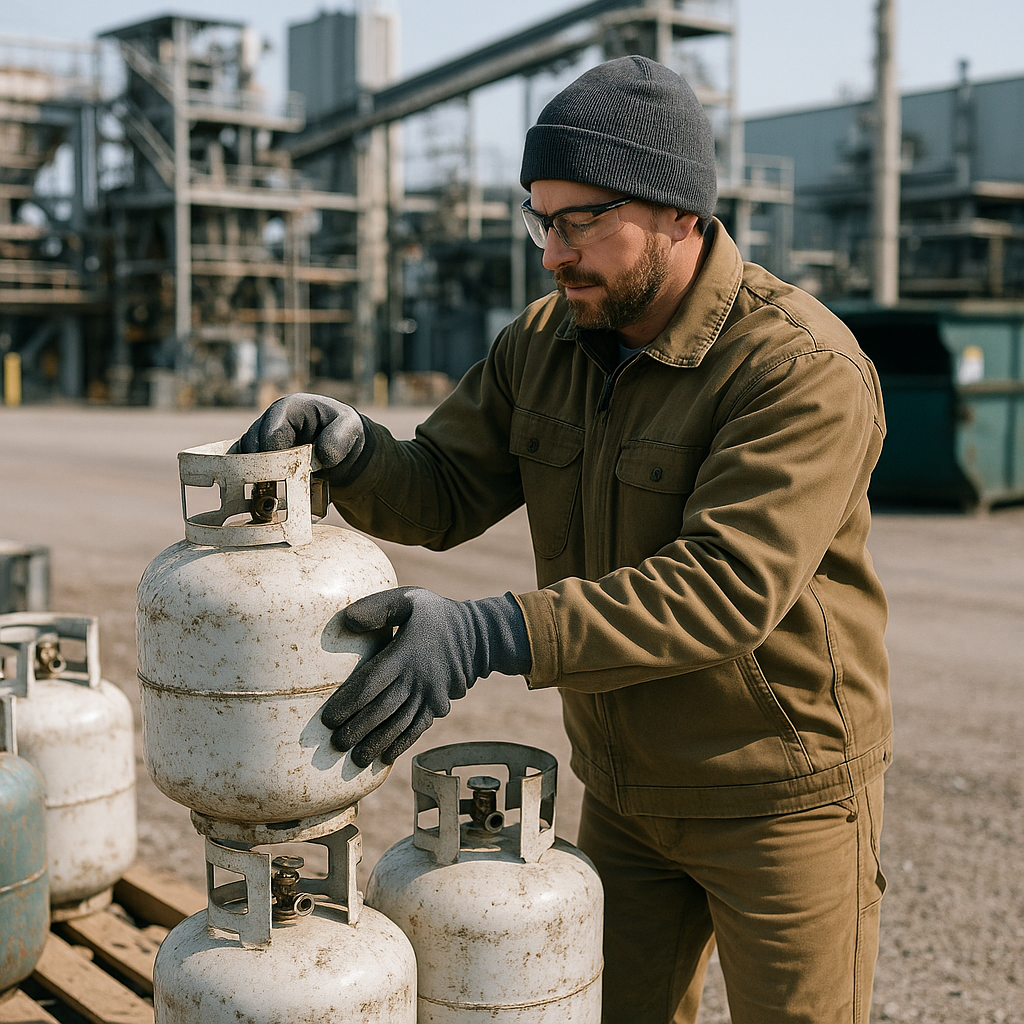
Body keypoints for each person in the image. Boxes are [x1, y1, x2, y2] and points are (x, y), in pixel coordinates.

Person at [242, 55, 891, 1024]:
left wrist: (484, 632)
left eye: (581, 220)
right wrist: (351, 445)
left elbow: (722, 587)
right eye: (541, 219)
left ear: (678, 212)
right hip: (623, 794)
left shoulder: (797, 366)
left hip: (777, 797)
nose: (552, 251)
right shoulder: (543, 343)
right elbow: (443, 489)